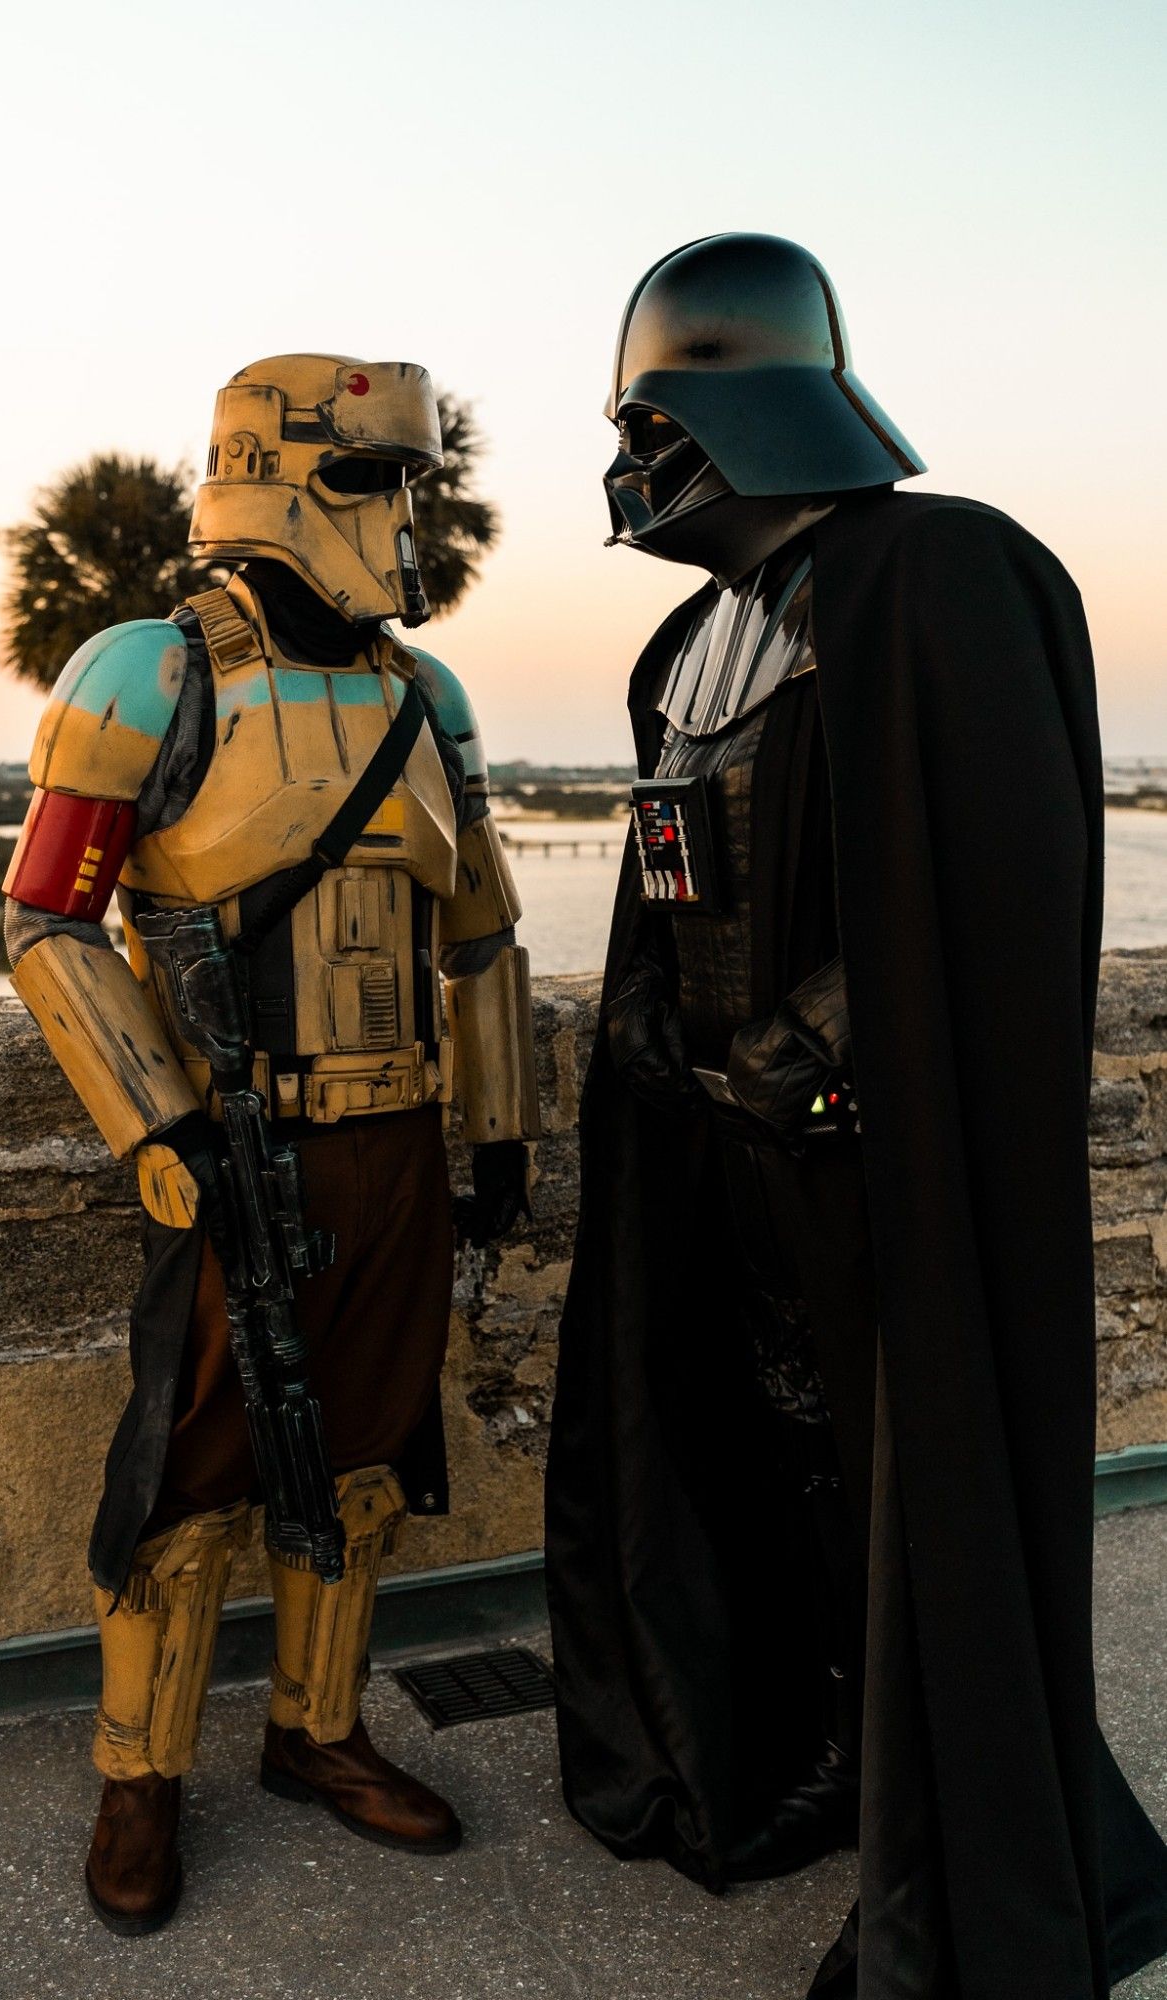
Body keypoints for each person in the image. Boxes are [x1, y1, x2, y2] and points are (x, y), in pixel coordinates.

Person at [544, 233, 1167, 1996]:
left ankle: (950, 1855)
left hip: (878, 1154)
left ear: (734, 410)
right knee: (778, 1460)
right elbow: (677, 889)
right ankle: (816, 1762)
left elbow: (990, 880)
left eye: (643, 421)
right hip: (726, 1155)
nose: (623, 465)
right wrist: (671, 1044)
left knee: (910, 1488)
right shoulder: (689, 641)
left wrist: (813, 1047)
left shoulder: (935, 572)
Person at [4, 352, 539, 1936]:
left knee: (364, 1461)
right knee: (189, 1488)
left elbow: (483, 936)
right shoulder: (142, 677)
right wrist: (157, 1129)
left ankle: (318, 1733)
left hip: (393, 1145)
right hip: (237, 1148)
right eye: (370, 480)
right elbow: (47, 916)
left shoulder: (420, 699)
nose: (398, 515)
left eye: (410, 482)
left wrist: (497, 1125)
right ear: (272, 477)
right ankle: (138, 1777)